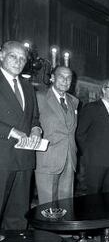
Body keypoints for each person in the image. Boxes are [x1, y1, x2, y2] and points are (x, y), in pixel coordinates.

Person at [0, 41, 42, 229]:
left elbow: (34, 118)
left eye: (22, 58)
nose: (18, 62)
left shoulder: (27, 87)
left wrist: (36, 129)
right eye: (13, 56)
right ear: (1, 55)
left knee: (18, 215)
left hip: (24, 157)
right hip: (2, 157)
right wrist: (9, 131)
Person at [35, 66, 79, 204]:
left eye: (69, 78)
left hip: (69, 159)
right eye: (61, 76)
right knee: (47, 206)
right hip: (47, 158)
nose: (65, 80)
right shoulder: (39, 97)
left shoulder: (74, 101)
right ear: (52, 78)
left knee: (66, 206)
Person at [76, 80, 109, 194]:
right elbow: (80, 133)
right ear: (104, 90)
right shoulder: (91, 108)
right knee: (94, 196)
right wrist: (89, 153)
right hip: (96, 161)